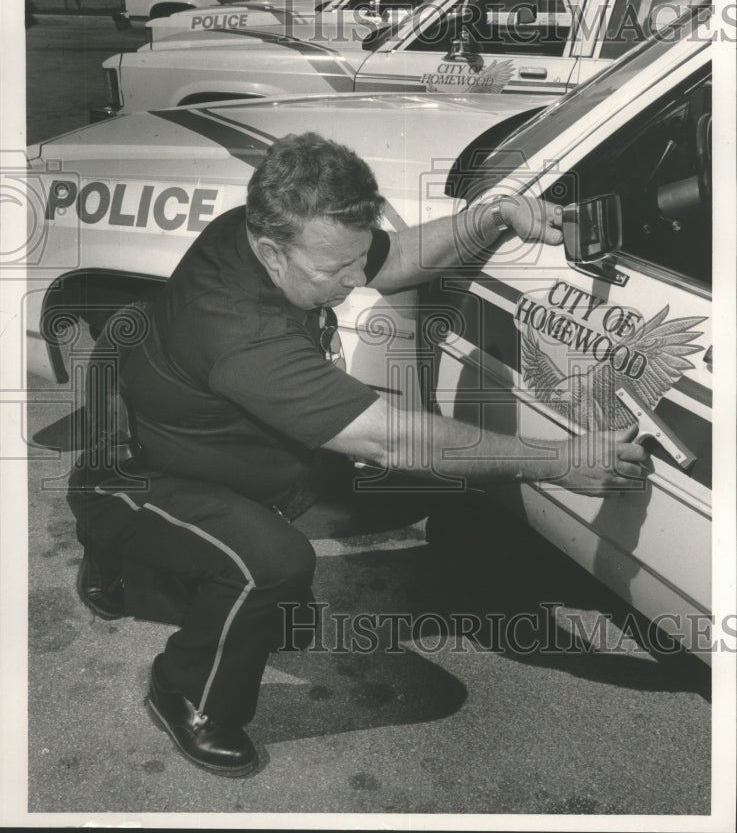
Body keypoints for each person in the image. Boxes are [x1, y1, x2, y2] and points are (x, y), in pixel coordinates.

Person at [67, 131, 649, 777]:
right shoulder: (238, 330)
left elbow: (393, 256)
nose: (353, 283)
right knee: (271, 565)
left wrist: (491, 217)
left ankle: (197, 571)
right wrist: (559, 460)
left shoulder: (277, 229)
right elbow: (391, 437)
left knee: (355, 494)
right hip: (133, 475)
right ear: (269, 252)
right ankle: (185, 690)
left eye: (351, 265)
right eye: (334, 273)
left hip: (206, 441)